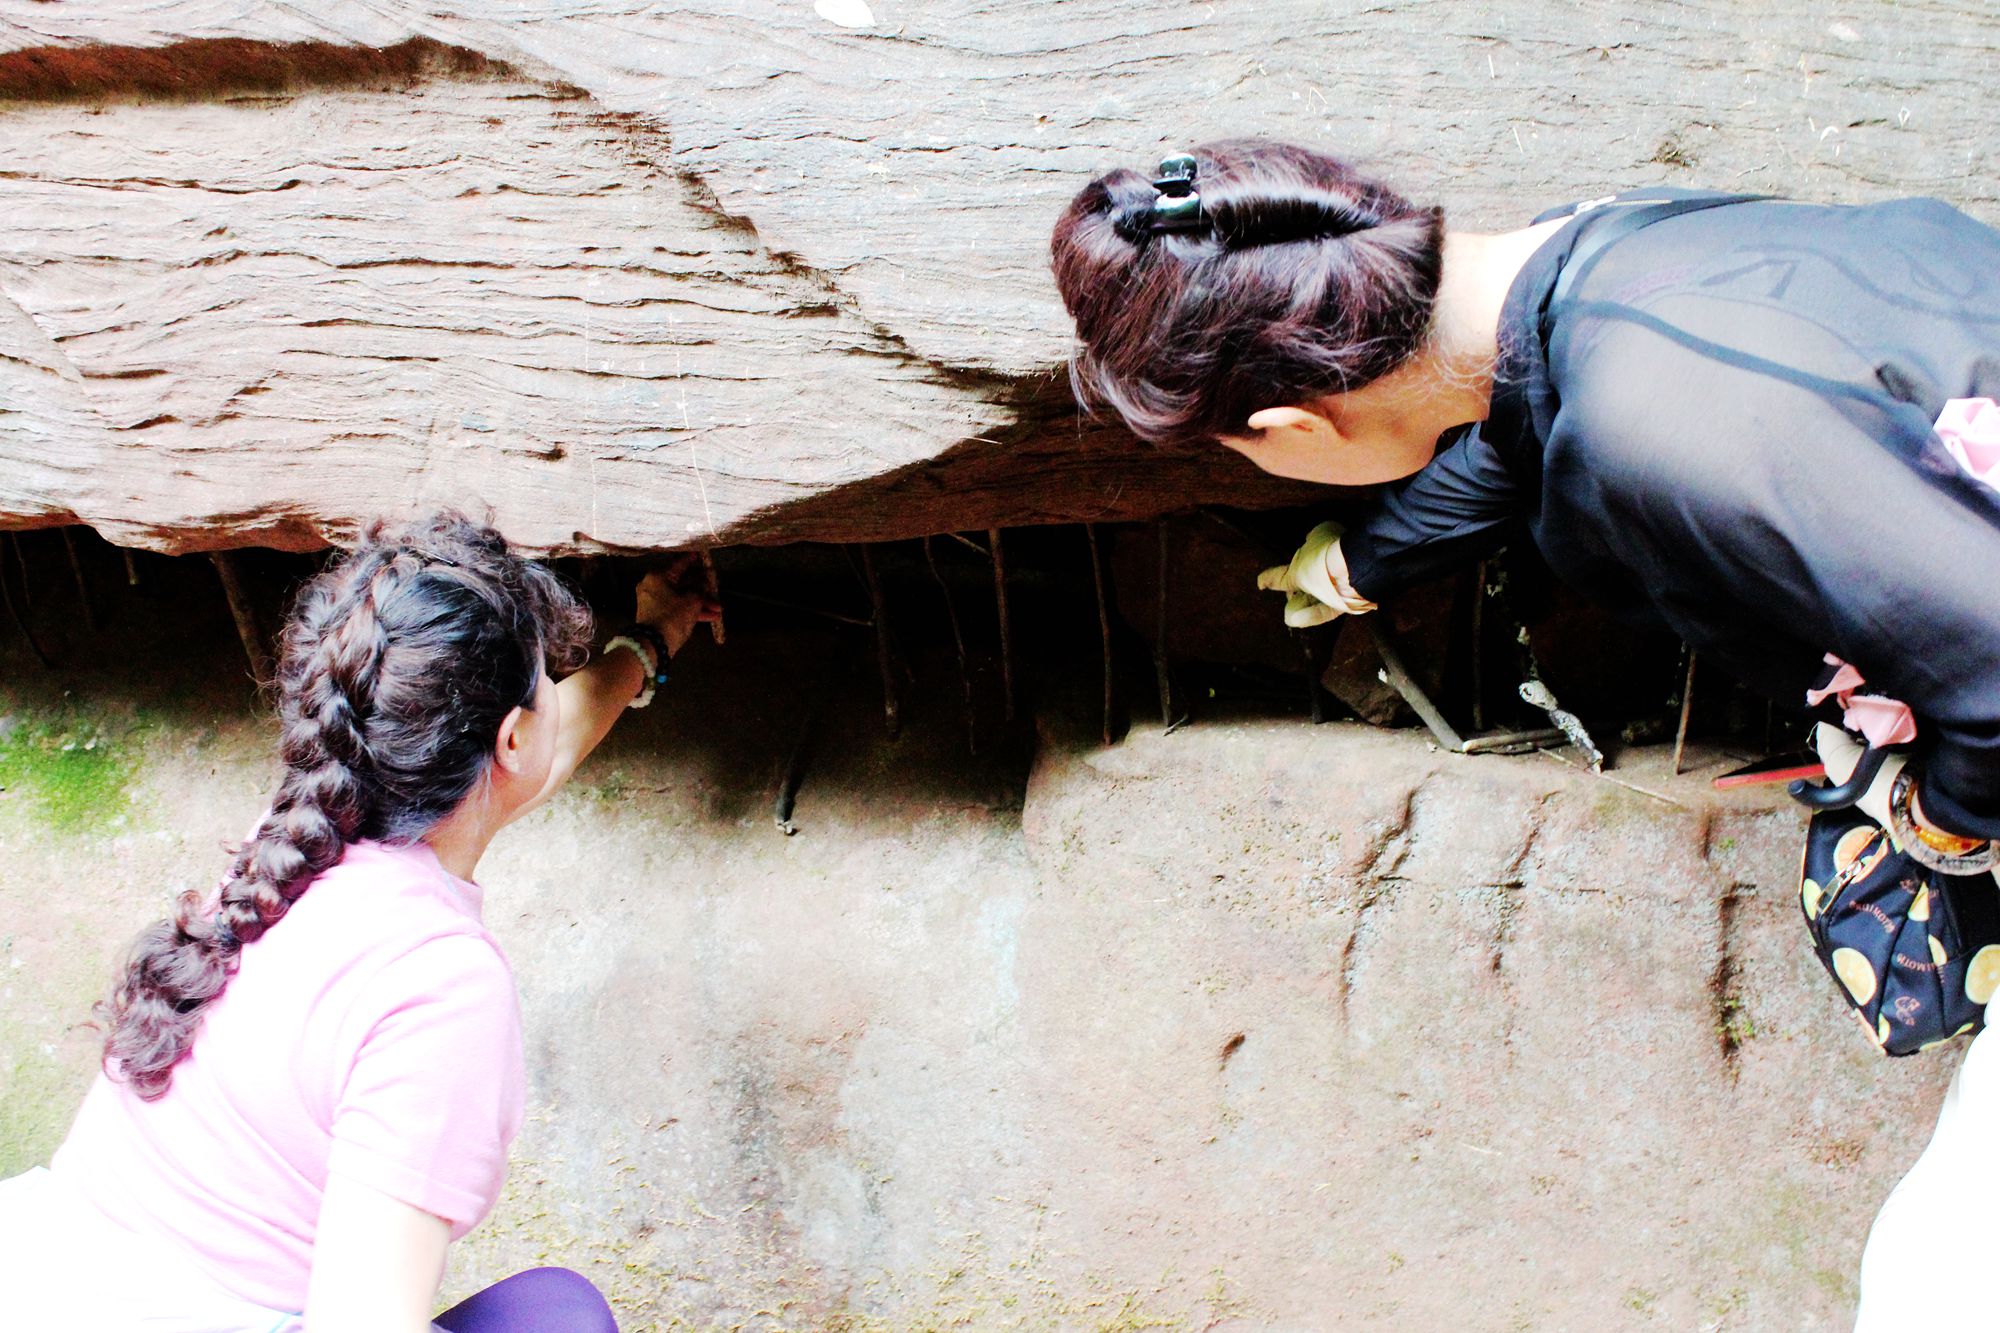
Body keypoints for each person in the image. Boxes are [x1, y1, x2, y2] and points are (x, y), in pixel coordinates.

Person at [1049, 139, 2000, 1325]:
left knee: (1937, 1289)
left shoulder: (1653, 425)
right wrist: (1357, 564)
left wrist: (1932, 821)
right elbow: (1519, 431)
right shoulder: (1602, 255)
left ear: (1292, 425)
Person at [0, 511, 719, 1333]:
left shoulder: (294, 840)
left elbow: (538, 754)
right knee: (562, 1318)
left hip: (45, 1274)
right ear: (512, 738)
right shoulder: (439, 984)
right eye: (544, 678)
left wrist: (650, 640)